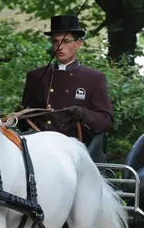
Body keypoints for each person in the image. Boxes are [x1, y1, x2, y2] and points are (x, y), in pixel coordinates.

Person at [18, 15, 114, 149]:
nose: (59, 47)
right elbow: (23, 123)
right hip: (38, 147)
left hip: (74, 150)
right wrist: (21, 115)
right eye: (55, 42)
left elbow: (106, 122)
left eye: (66, 41)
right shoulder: (36, 76)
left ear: (78, 44)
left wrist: (83, 114)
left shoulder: (93, 78)